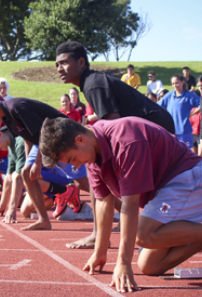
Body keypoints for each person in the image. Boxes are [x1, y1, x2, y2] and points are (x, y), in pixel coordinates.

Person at [40, 116, 202, 292]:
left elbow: (130, 205)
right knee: (150, 265)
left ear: (80, 139)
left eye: (73, 159)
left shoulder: (127, 139)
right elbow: (103, 202)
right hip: (166, 193)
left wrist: (123, 263)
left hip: (187, 179)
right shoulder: (93, 156)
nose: (77, 165)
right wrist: (100, 252)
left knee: (143, 234)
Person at [55, 41, 175, 248]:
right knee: (98, 172)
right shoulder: (91, 83)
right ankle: (105, 232)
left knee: (98, 168)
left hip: (155, 135)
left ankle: (101, 235)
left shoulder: (93, 83)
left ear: (81, 62)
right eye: (56, 65)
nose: (59, 69)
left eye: (64, 63)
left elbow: (113, 125)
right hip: (152, 132)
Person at [0, 91, 91, 231]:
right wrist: (29, 162)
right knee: (26, 173)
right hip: (45, 142)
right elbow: (27, 138)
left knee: (81, 183)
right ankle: (44, 220)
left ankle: (116, 206)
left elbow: (42, 133)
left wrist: (37, 163)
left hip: (64, 137)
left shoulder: (16, 107)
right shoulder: (6, 117)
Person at [158, 74, 200, 149]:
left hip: (184, 132)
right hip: (170, 132)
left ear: (183, 82)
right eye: (173, 83)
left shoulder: (189, 95)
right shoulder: (169, 95)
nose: (175, 85)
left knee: (185, 155)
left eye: (177, 83)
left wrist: (192, 114)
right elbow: (157, 106)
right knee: (172, 154)